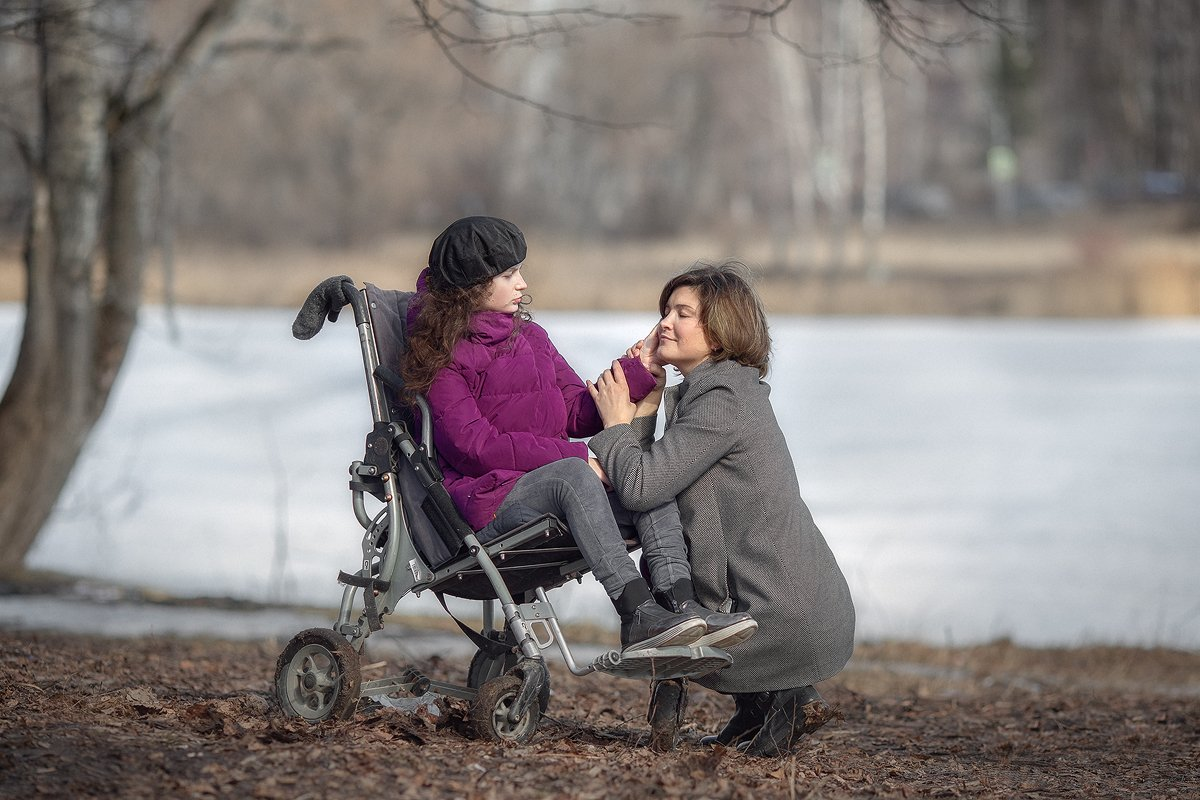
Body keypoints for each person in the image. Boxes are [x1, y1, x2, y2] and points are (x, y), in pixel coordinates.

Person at [401, 217, 756, 653]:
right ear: (474, 285)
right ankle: (638, 614)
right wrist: (577, 459)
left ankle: (681, 606)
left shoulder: (529, 337)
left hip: (559, 484)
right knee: (574, 473)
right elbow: (474, 447)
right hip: (485, 498)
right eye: (509, 274)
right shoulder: (438, 353)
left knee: (641, 481)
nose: (522, 283)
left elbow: (575, 410)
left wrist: (638, 369)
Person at [587, 260, 856, 757]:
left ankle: (789, 699)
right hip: (794, 606)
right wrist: (644, 403)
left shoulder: (723, 401)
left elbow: (642, 486)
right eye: (666, 310)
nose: (664, 323)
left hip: (782, 617)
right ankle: (757, 708)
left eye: (682, 313)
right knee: (672, 580)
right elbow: (647, 481)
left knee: (675, 617)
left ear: (720, 331)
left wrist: (612, 425)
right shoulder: (715, 392)